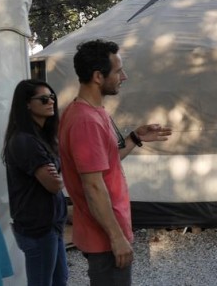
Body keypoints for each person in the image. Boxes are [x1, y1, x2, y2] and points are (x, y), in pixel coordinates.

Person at [58, 39, 172, 286]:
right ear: (98, 76)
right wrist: (117, 238)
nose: (125, 76)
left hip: (106, 231)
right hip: (104, 237)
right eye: (118, 71)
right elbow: (93, 186)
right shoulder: (85, 121)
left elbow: (106, 161)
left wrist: (135, 138)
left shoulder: (92, 111)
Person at [2, 79, 67, 286]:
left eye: (52, 98)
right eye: (44, 99)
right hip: (38, 228)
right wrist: (61, 178)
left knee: (60, 280)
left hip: (51, 225)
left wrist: (59, 177)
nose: (51, 102)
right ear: (27, 104)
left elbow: (58, 178)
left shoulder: (42, 137)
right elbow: (54, 185)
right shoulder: (25, 141)